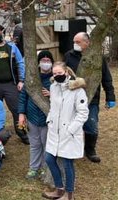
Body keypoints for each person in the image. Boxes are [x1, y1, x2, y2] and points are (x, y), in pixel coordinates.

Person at [64, 32, 116, 163]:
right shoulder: (68, 56)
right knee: (72, 125)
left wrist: (110, 96)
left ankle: (90, 150)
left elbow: (106, 77)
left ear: (87, 43)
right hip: (72, 98)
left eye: (78, 42)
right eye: (74, 42)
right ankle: (72, 149)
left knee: (91, 125)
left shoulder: (97, 57)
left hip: (91, 97)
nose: (75, 44)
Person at [42, 62, 88, 200]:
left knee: (68, 164)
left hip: (69, 133)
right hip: (54, 131)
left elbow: (83, 113)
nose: (57, 76)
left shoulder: (78, 90)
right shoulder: (53, 87)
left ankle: (69, 195)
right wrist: (49, 120)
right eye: (54, 74)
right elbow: (53, 107)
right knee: (49, 159)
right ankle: (59, 189)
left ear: (66, 73)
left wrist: (71, 129)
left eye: (59, 73)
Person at [18, 50, 54, 180]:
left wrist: (52, 94)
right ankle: (34, 168)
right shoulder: (32, 78)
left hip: (47, 119)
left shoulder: (55, 80)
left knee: (46, 144)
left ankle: (45, 168)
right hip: (32, 117)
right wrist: (21, 114)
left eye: (48, 61)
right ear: (38, 63)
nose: (45, 63)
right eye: (43, 61)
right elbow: (23, 97)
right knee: (34, 144)